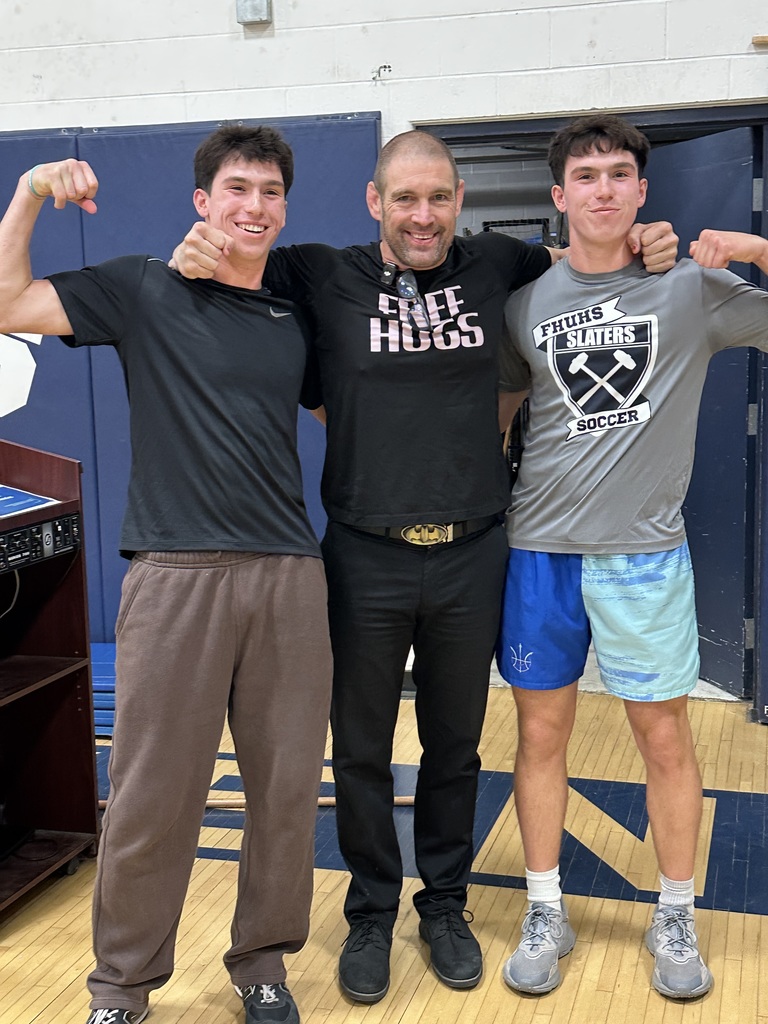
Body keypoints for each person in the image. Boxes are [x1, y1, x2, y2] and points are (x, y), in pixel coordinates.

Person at [172, 129, 678, 1003]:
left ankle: (443, 902)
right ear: (375, 203)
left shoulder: (500, 265)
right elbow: (233, 258)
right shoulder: (318, 273)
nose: (423, 215)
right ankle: (371, 910)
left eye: (439, 198)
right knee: (361, 749)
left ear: (460, 202)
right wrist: (197, 249)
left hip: (473, 553)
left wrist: (644, 240)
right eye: (404, 198)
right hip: (363, 555)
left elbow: (584, 261)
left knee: (455, 745)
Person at [0, 126, 334, 1024]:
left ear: (284, 207)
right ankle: (121, 988)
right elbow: (8, 302)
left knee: (286, 792)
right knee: (153, 796)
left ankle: (262, 963)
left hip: (288, 575)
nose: (252, 206)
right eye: (236, 189)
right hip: (175, 571)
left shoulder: (297, 311)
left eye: (268, 191)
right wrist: (30, 191)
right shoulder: (145, 286)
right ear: (203, 200)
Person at [496, 112, 768, 1001]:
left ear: (643, 190)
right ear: (559, 194)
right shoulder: (525, 302)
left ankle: (675, 913)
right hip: (541, 552)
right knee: (539, 735)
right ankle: (546, 906)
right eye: (587, 176)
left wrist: (755, 249)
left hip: (644, 560)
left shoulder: (692, 289)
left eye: (620, 174)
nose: (604, 189)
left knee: (664, 737)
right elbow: (498, 418)